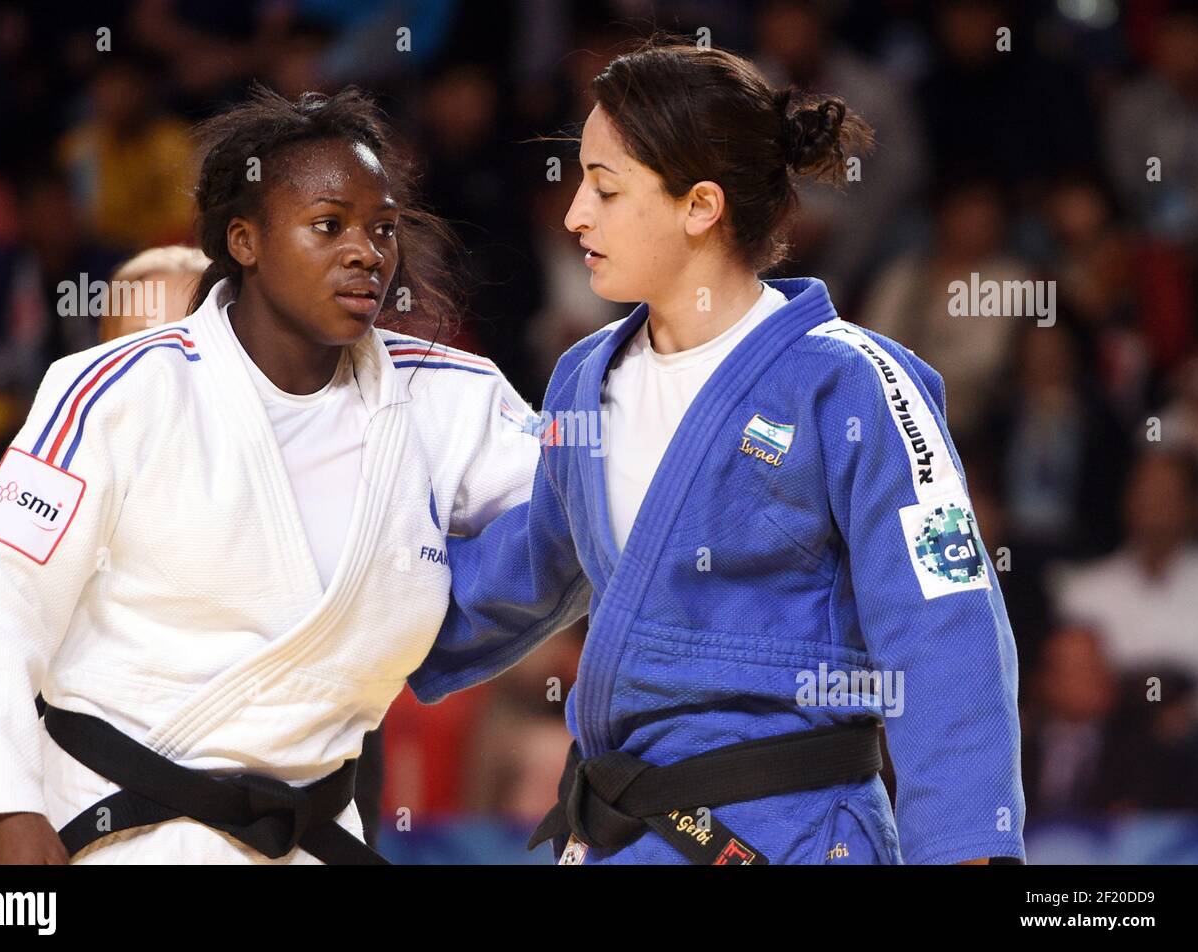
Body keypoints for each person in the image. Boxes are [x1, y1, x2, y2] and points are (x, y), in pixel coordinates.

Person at [409, 40, 1026, 865]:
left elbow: (944, 620)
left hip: (794, 831)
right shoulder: (583, 380)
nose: (574, 215)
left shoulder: (851, 382)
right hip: (623, 833)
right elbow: (525, 570)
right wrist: (348, 630)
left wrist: (966, 849)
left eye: (605, 186)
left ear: (700, 205)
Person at [0, 85, 540, 864]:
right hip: (113, 828)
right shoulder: (118, 389)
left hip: (308, 833)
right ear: (245, 241)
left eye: (382, 229)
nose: (366, 252)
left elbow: (591, 521)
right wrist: (6, 807)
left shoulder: (450, 399)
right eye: (328, 224)